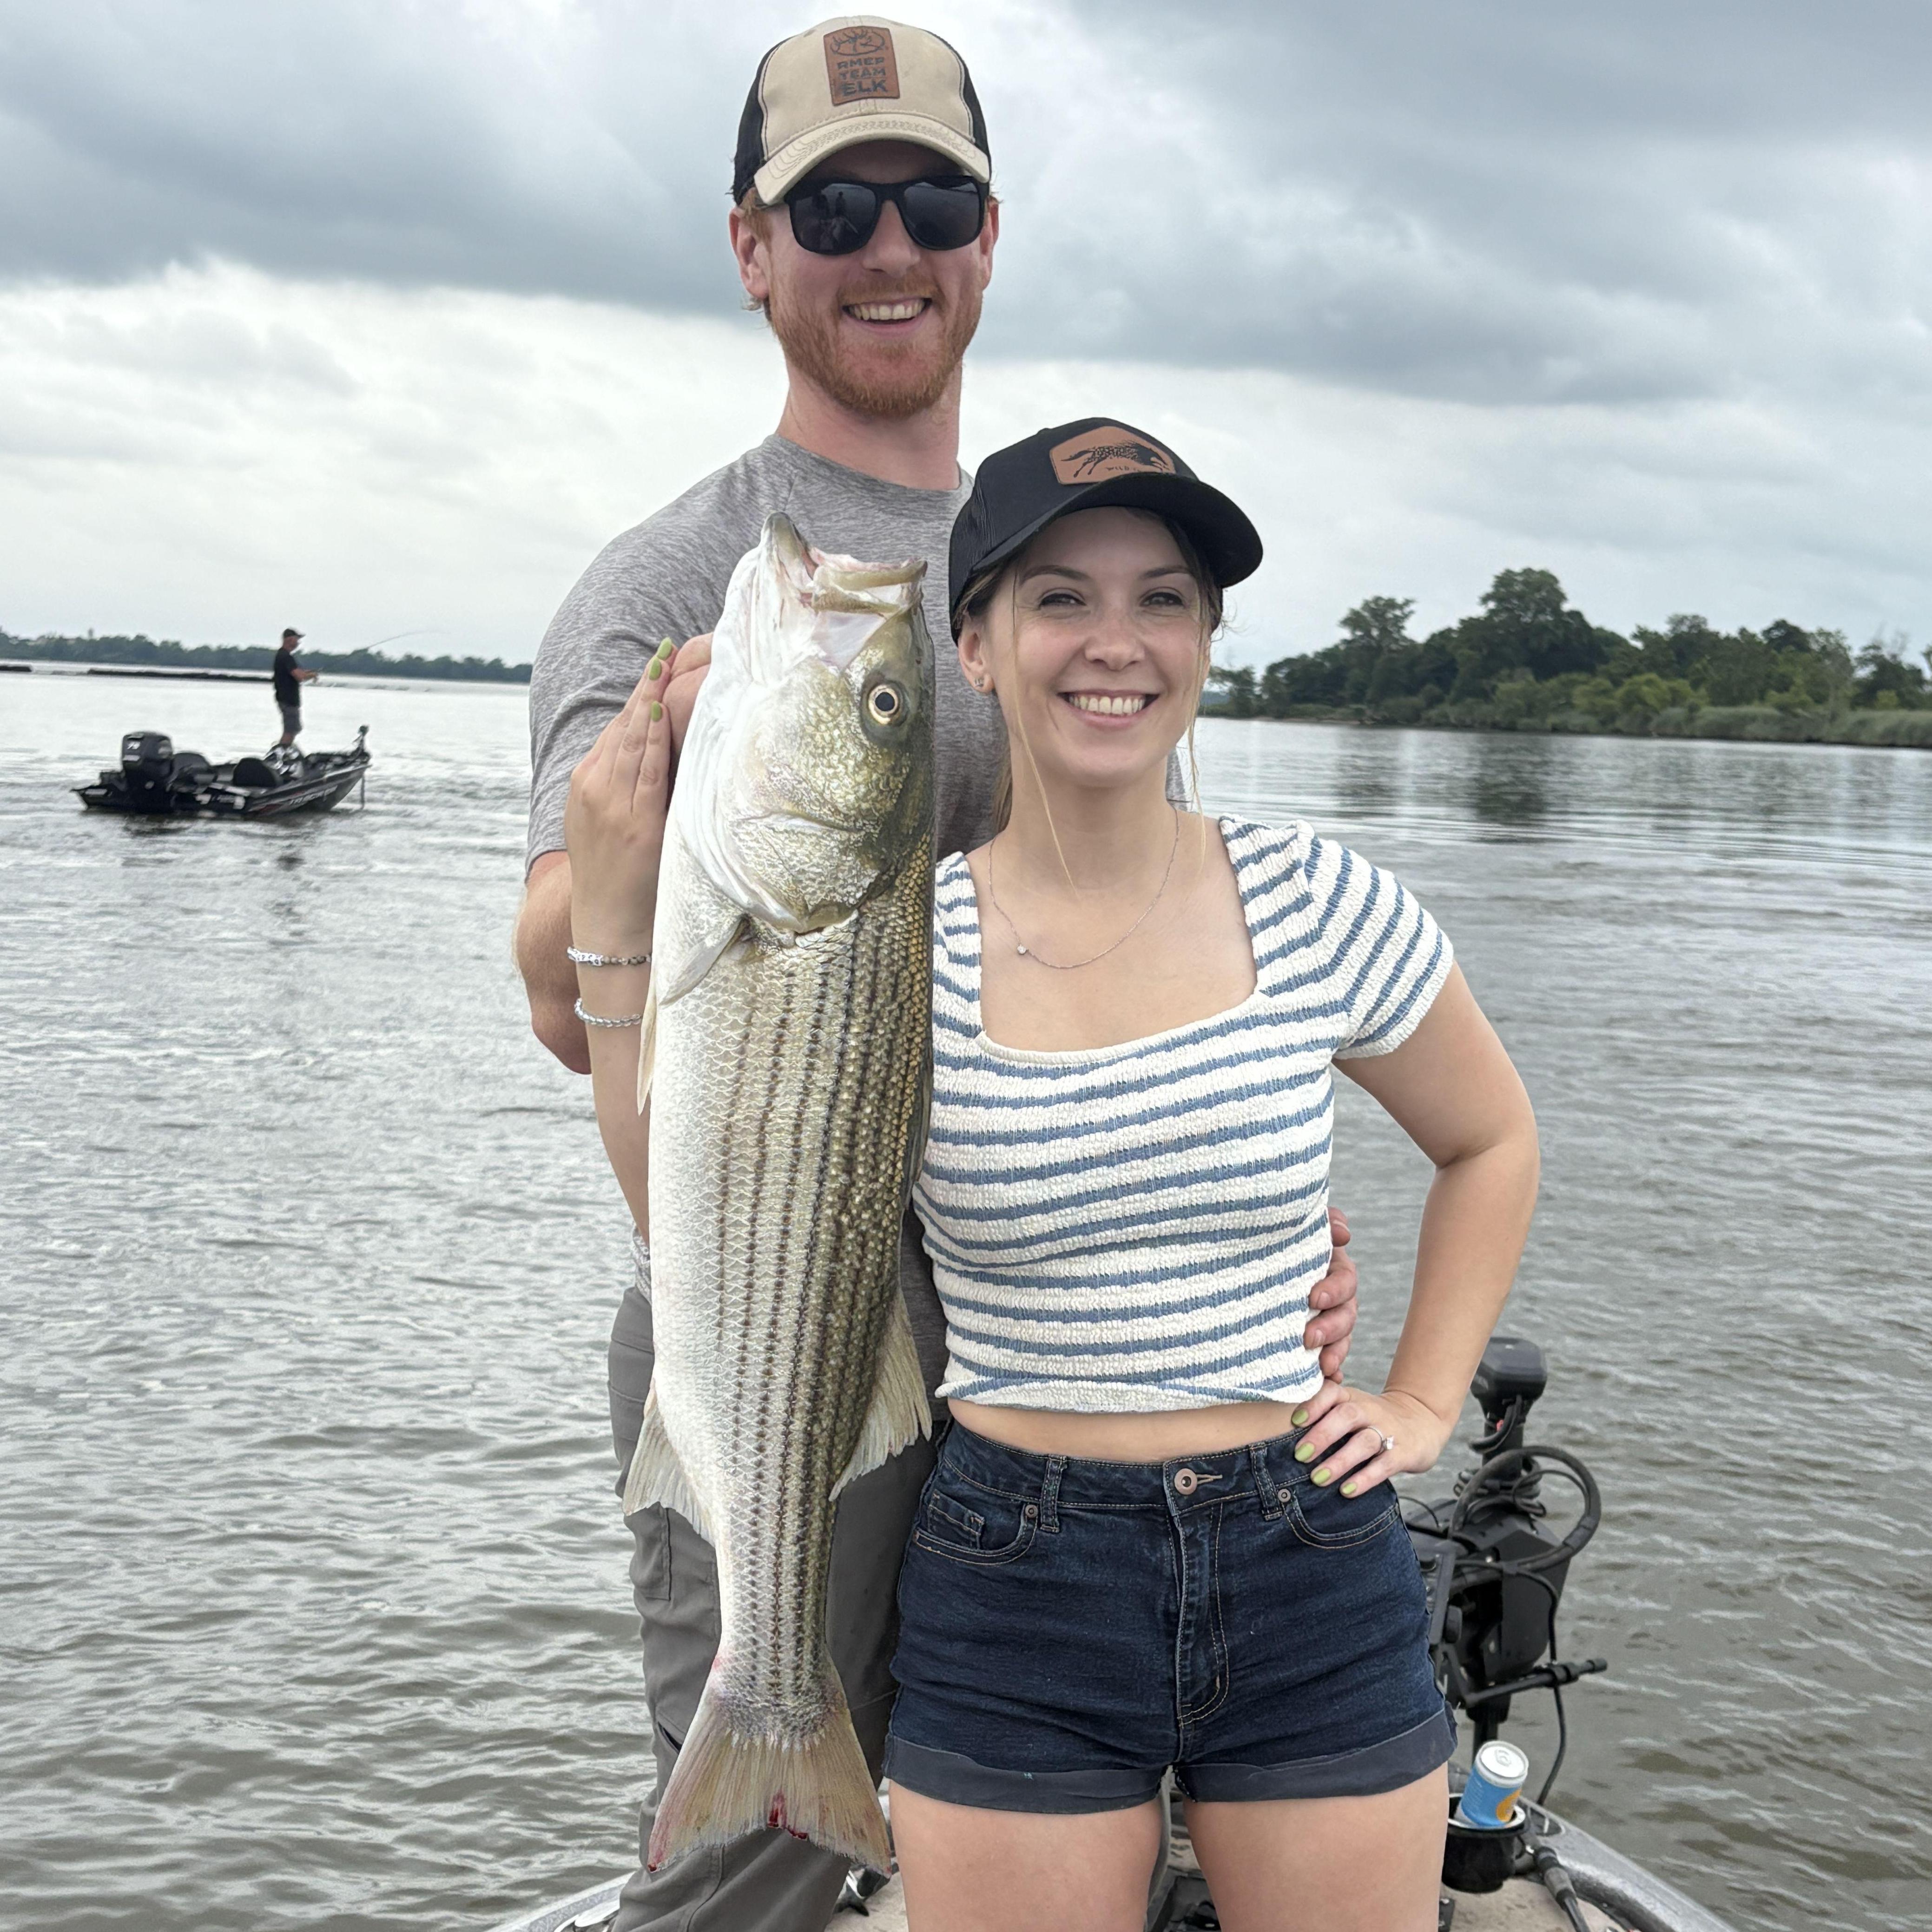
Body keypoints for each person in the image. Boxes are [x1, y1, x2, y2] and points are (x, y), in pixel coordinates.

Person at [520, 22, 1365, 1932]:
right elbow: (563, 985)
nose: (886, 240)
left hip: (1062, 1350)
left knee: (1047, 1829)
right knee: (752, 1851)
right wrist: (608, 869)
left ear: (988, 239)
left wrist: (1257, 1234)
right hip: (781, 1300)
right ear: (752, 247)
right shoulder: (671, 579)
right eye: (832, 204)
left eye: (933, 198)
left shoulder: (1049, 556)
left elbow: (1169, 930)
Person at [273, 628, 317, 747]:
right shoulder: (286, 657)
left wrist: (308, 673)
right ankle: (281, 753)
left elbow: (296, 673)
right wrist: (311, 675)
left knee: (294, 729)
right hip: (288, 700)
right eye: (297, 639)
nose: (298, 643)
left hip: (287, 699)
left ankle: (283, 753)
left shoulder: (283, 656)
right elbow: (299, 676)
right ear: (289, 639)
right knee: (290, 730)